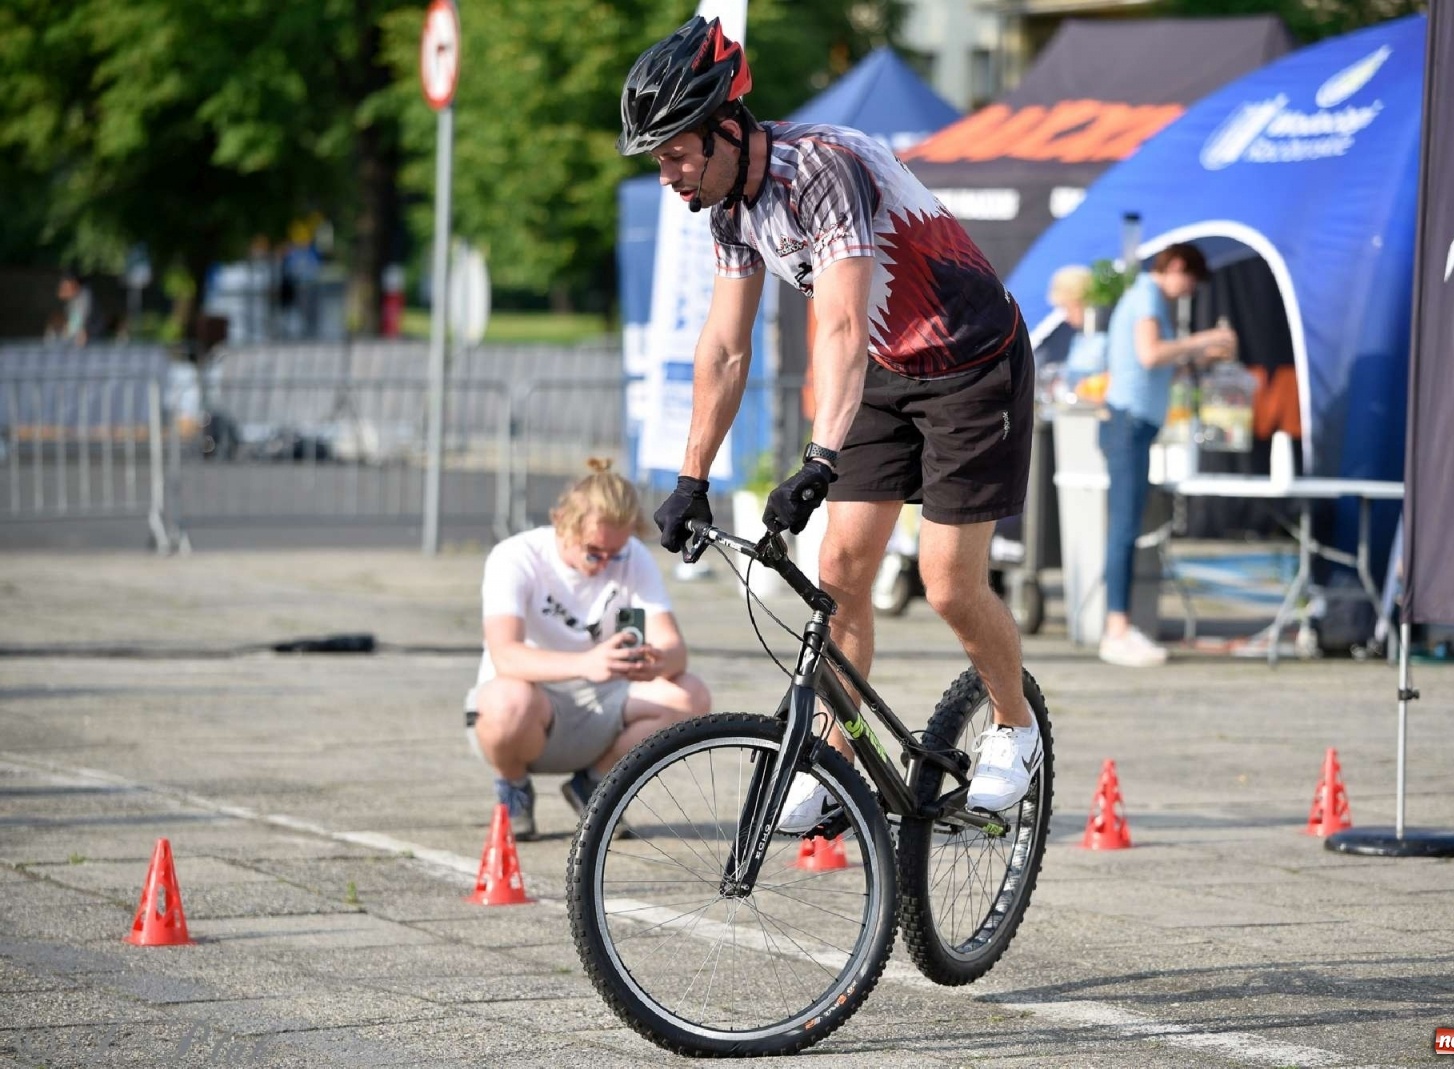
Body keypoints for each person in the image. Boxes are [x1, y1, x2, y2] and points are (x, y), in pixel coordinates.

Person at [622, 16, 1041, 830]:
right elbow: (725, 349)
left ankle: (1016, 728)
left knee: (949, 582)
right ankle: (831, 754)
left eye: (675, 152)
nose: (667, 174)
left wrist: (818, 457)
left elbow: (842, 325)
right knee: (841, 569)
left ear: (725, 129)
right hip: (884, 369)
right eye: (657, 159)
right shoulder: (726, 208)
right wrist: (691, 477)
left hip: (969, 361)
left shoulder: (823, 167)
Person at [464, 458, 712, 840]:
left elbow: (675, 650)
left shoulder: (632, 557)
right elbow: (505, 654)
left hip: (604, 701)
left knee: (691, 696)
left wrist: (656, 661)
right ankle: (513, 787)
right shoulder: (516, 556)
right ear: (562, 521)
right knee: (504, 701)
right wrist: (585, 663)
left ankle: (596, 786)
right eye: (594, 552)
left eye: (616, 554)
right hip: (533, 707)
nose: (605, 564)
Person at [1097, 243, 1236, 668]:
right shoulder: (1146, 296)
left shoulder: (1148, 297)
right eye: (1189, 282)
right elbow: (1151, 354)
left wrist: (1200, 355)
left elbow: (1158, 366)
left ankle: (1120, 625)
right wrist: (1207, 338)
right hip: (1127, 426)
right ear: (1175, 268)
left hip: (1134, 426)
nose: (1188, 292)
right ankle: (1115, 630)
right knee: (1123, 529)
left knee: (1129, 526)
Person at [55, 271, 93, 347]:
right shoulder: (72, 300)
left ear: (75, 284)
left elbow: (78, 323)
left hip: (90, 340)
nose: (63, 289)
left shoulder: (84, 296)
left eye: (65, 286)